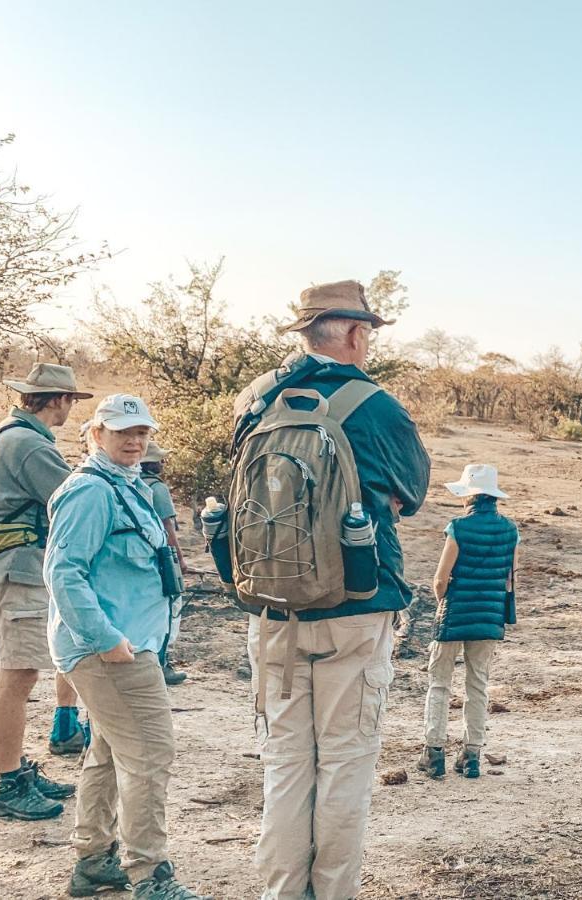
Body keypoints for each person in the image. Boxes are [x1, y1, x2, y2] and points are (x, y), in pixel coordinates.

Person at [231, 280, 430, 900]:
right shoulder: (376, 406)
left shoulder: (255, 401)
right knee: (344, 764)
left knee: (286, 767)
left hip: (272, 607)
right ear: (353, 332)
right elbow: (411, 496)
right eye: (367, 332)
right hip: (357, 606)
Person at [45, 394, 209, 900]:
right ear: (96, 435)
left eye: (140, 432)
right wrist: (107, 640)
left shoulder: (126, 486)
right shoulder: (91, 492)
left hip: (129, 644)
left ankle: (93, 861)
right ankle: (149, 875)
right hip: (112, 651)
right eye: (122, 432)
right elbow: (63, 572)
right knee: (149, 753)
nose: (134, 441)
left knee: (109, 751)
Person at [0, 363, 91, 821]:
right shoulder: (30, 445)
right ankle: (9, 783)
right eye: (70, 399)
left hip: (13, 569)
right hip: (19, 571)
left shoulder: (12, 436)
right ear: (59, 400)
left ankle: (16, 770)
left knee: (10, 673)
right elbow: (71, 500)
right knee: (18, 674)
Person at [419, 464, 519, 780]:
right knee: (478, 685)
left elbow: (440, 578)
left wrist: (443, 602)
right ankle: (472, 754)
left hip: (453, 614)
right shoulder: (510, 530)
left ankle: (434, 754)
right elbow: (511, 579)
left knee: (440, 683)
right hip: (489, 618)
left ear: (470, 497)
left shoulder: (458, 528)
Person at [139, 441, 187, 685]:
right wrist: (179, 559)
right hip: (162, 556)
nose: (163, 463)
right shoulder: (157, 488)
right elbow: (168, 527)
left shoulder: (131, 484)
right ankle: (162, 663)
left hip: (140, 557)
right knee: (169, 610)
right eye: (159, 459)